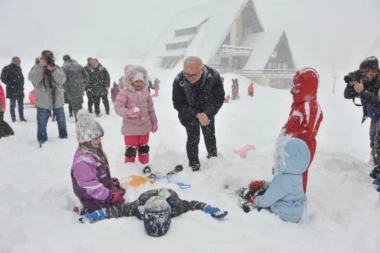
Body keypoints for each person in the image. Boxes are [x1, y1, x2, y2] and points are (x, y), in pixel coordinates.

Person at [82, 188, 228, 237]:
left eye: (153, 206)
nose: (157, 201)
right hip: (169, 193)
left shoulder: (138, 208)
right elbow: (194, 205)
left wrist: (98, 214)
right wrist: (208, 208)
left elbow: (117, 210)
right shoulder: (176, 206)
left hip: (147, 194)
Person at [172, 56, 225, 171]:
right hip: (189, 113)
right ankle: (194, 164)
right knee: (192, 138)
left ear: (202, 70)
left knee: (210, 135)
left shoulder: (213, 76)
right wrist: (195, 114)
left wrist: (208, 114)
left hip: (207, 110)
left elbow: (219, 97)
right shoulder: (179, 80)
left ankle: (213, 159)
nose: (190, 78)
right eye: (187, 74)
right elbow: (178, 103)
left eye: (193, 75)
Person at [241, 137, 310, 223]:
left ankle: (249, 205)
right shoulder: (295, 174)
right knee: (265, 193)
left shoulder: (284, 178)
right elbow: (281, 189)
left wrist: (255, 200)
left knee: (261, 204)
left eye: (279, 158)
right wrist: (264, 184)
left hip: (285, 213)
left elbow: (266, 201)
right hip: (294, 211)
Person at [71, 110, 126, 214]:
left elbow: (98, 171)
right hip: (91, 196)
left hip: (98, 189)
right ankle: (85, 209)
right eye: (95, 138)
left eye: (99, 137)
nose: (99, 140)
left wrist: (107, 180)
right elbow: (90, 185)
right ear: (85, 139)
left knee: (120, 192)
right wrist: (110, 196)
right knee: (114, 208)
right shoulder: (83, 161)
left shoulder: (92, 150)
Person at [281, 67, 323, 193]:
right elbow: (292, 122)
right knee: (287, 171)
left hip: (302, 148)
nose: (292, 90)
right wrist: (285, 129)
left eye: (297, 86)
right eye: (293, 85)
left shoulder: (311, 106)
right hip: (291, 146)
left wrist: (292, 139)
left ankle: (297, 198)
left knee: (298, 173)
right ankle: (286, 192)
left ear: (307, 87)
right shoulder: (298, 105)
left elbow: (309, 132)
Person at [344, 56, 380, 179]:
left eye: (365, 72)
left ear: (375, 71)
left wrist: (363, 91)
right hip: (375, 117)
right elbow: (347, 95)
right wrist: (351, 84)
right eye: (361, 71)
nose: (363, 74)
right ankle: (374, 160)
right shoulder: (365, 81)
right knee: (373, 139)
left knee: (378, 141)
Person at [114, 65, 158, 164]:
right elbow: (118, 107)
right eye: (136, 81)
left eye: (141, 81)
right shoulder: (124, 93)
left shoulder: (146, 93)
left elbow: (151, 109)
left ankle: (144, 165)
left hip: (145, 128)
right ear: (131, 81)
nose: (139, 83)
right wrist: (127, 112)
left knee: (144, 149)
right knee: (131, 150)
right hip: (130, 128)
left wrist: (154, 123)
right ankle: (130, 169)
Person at [28, 50, 68, 145]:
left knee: (61, 121)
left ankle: (64, 137)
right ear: (42, 58)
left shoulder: (56, 67)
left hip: (57, 100)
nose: (50, 59)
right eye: (48, 57)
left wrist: (53, 70)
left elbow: (61, 80)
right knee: (42, 123)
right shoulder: (36, 67)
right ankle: (42, 140)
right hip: (43, 101)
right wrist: (40, 67)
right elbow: (34, 79)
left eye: (52, 57)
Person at [62, 54, 89, 122]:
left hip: (71, 90)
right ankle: (82, 119)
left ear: (64, 60)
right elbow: (86, 76)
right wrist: (83, 86)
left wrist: (66, 89)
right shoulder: (79, 65)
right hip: (79, 89)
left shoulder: (64, 67)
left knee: (74, 106)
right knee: (79, 105)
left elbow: (63, 81)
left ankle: (79, 121)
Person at [0, 56, 26, 122]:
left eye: (20, 61)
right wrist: (11, 84)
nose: (19, 62)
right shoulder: (7, 68)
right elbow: (2, 78)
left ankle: (22, 117)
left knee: (21, 105)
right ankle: (13, 118)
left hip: (20, 89)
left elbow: (21, 78)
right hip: (12, 90)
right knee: (12, 105)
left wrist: (22, 85)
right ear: (13, 61)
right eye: (18, 61)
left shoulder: (19, 68)